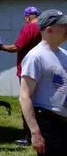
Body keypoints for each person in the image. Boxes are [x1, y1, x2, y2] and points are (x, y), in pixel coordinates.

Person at [19, 9, 67, 156]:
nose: (66, 28)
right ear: (49, 30)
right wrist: (35, 133)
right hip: (47, 121)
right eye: (63, 25)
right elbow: (24, 96)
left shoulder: (64, 54)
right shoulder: (35, 56)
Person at [0, 6, 42, 146]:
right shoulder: (43, 26)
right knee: (38, 102)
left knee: (26, 101)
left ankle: (28, 136)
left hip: (26, 69)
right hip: (39, 68)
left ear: (27, 17)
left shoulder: (29, 28)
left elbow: (17, 47)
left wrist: (1, 46)